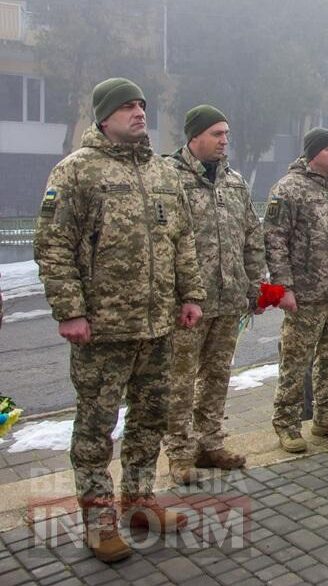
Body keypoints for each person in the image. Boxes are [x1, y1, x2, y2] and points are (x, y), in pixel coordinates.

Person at [33, 78, 205, 562]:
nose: (139, 112)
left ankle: (139, 500)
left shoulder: (162, 172)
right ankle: (98, 521)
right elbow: (53, 245)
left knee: (150, 419)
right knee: (96, 428)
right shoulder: (77, 171)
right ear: (104, 117)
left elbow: (183, 240)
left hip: (157, 326)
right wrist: (70, 310)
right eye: (127, 106)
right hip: (103, 329)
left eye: (141, 105)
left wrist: (190, 295)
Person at [162, 105, 266, 485]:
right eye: (217, 134)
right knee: (179, 381)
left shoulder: (234, 182)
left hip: (228, 299)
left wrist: (254, 285)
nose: (225, 141)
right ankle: (179, 454)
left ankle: (210, 443)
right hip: (187, 304)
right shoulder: (169, 178)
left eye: (227, 134)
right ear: (194, 136)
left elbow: (252, 236)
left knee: (217, 376)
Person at [264, 128, 328, 452]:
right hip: (304, 298)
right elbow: (274, 241)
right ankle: (287, 425)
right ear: (312, 153)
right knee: (295, 363)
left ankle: (327, 417)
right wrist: (284, 287)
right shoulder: (288, 189)